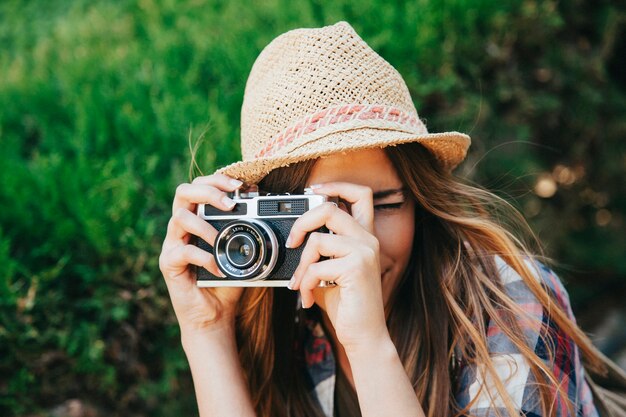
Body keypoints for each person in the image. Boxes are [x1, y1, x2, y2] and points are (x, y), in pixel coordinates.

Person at [159, 22, 604, 417]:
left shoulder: (507, 303)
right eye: (327, 212)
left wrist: (368, 343)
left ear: (420, 200)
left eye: (385, 204)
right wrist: (206, 333)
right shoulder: (275, 319)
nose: (360, 244)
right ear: (269, 220)